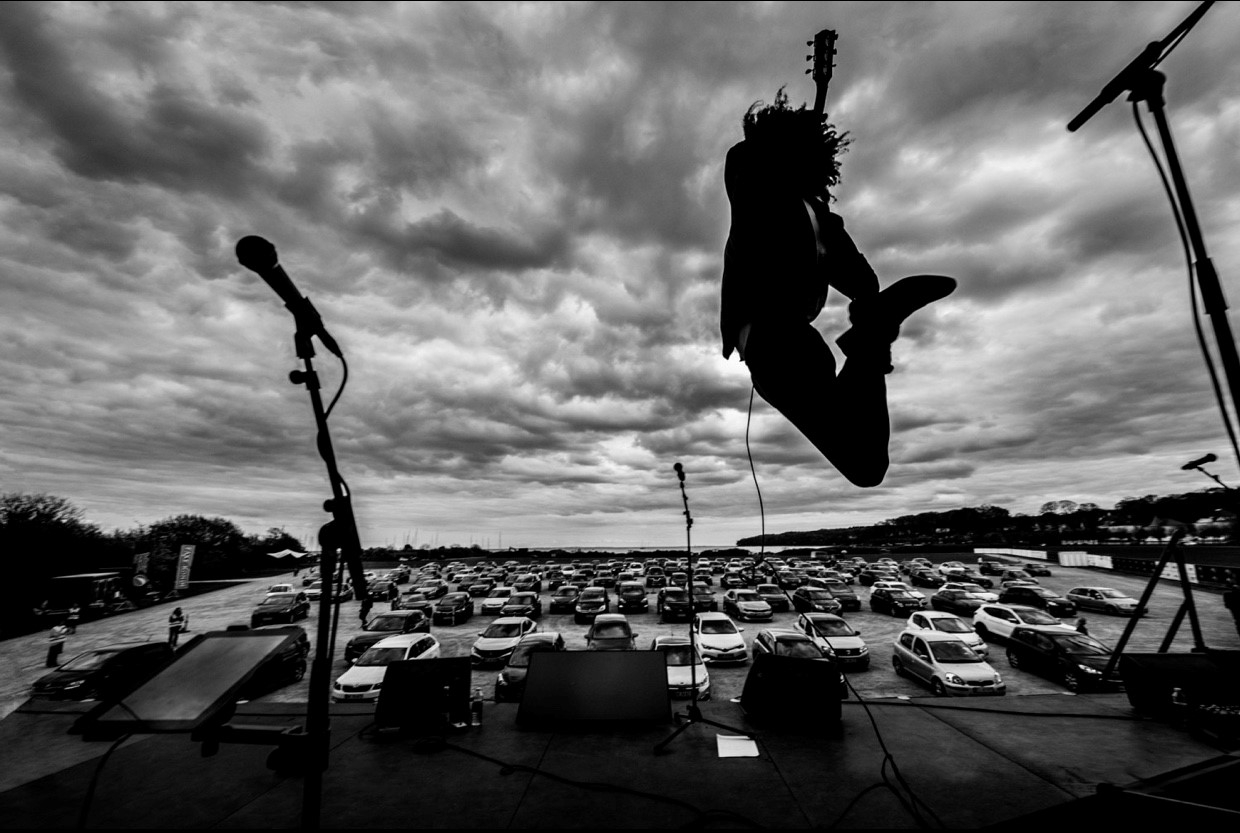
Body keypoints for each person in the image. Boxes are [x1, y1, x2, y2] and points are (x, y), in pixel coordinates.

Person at [719, 88, 955, 486]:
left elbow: (864, 284)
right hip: (791, 339)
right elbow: (741, 159)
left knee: (865, 463)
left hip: (775, 342)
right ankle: (873, 333)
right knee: (866, 462)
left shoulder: (814, 217)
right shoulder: (755, 185)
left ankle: (873, 333)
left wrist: (824, 218)